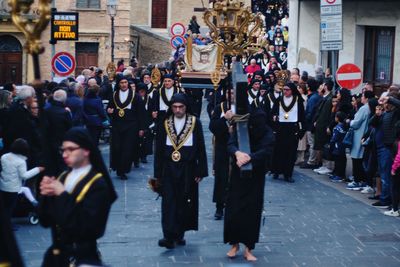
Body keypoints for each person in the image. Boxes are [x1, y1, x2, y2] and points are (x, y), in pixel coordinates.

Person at [38, 127, 117, 266]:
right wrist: (46, 195)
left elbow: (87, 227)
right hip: (56, 256)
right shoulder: (63, 177)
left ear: (86, 150)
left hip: (82, 257)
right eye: (63, 150)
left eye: (71, 149)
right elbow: (45, 221)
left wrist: (61, 194)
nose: (64, 155)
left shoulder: (98, 184)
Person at [154, 94, 208, 249]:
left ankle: (180, 233)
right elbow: (158, 148)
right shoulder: (165, 122)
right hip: (168, 167)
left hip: (187, 168)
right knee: (168, 201)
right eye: (175, 107)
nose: (178, 110)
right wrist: (157, 173)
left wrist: (200, 170)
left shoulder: (194, 122)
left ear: (186, 107)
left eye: (181, 107)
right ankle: (168, 236)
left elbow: (201, 147)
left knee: (184, 201)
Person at [224, 103, 274, 262]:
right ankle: (234, 244)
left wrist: (250, 157)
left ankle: (248, 248)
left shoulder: (267, 132)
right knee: (234, 208)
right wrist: (237, 153)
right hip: (238, 175)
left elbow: (266, 150)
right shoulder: (242, 129)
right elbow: (230, 144)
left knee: (252, 211)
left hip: (256, 177)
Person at [107, 76, 145, 180]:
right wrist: (110, 111)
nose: (124, 85)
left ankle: (124, 170)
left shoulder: (136, 96)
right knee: (117, 147)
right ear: (119, 84)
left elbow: (141, 113)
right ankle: (118, 169)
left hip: (131, 126)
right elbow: (110, 109)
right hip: (117, 126)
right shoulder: (114, 95)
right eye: (121, 83)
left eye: (125, 82)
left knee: (127, 149)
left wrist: (141, 128)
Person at [0, 139, 45, 219]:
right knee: (9, 209)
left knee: (5, 208)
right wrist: (37, 169)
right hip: (13, 189)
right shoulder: (21, 161)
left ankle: (7, 225)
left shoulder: (4, 156)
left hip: (3, 186)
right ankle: (7, 227)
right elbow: (24, 176)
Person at [271, 82, 305, 182]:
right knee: (278, 151)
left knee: (290, 153)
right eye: (284, 89)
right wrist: (274, 117)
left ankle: (288, 174)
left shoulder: (298, 101)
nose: (285, 91)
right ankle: (276, 171)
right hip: (281, 128)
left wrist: (300, 130)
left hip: (292, 128)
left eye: (287, 89)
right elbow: (273, 112)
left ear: (292, 90)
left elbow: (302, 116)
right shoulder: (279, 100)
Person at [209, 88, 234, 220]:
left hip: (237, 147)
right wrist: (224, 119)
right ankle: (219, 206)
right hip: (222, 146)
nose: (232, 95)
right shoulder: (220, 108)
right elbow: (212, 126)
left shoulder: (243, 107)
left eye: (234, 92)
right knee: (221, 177)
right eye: (230, 92)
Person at [346, 91, 375, 189]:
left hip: (359, 134)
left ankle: (357, 180)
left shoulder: (364, 108)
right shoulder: (371, 108)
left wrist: (350, 121)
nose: (361, 98)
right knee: (362, 159)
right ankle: (362, 180)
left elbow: (356, 123)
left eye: (363, 96)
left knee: (356, 158)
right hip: (366, 135)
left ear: (366, 98)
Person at [43, 89, 73, 176]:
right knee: (62, 165)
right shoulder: (65, 112)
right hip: (61, 141)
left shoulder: (46, 110)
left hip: (48, 141)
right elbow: (70, 127)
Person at [385, 121, 400, 217]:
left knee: (395, 188)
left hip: (398, 168)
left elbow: (398, 157)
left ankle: (395, 209)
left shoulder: (398, 142)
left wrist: (393, 169)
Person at [329, 112, 348, 182]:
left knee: (338, 161)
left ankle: (338, 175)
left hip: (337, 145)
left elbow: (335, 137)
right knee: (342, 160)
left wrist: (331, 142)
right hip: (343, 145)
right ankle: (340, 174)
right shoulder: (344, 126)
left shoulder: (337, 127)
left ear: (337, 118)